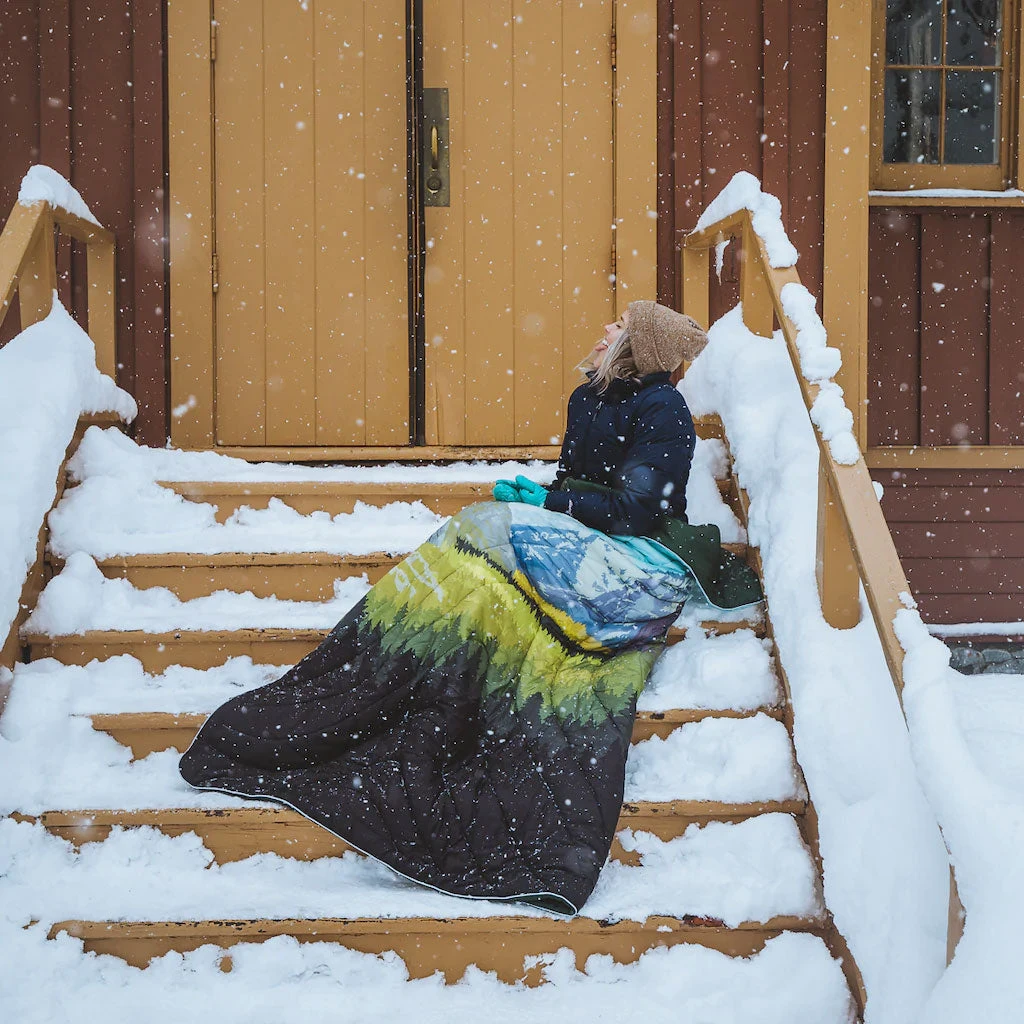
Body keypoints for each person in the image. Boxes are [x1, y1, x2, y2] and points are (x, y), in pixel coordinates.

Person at [180, 301, 759, 916]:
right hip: (593, 539)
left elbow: (639, 510)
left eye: (618, 323)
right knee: (476, 563)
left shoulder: (662, 408)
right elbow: (580, 486)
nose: (604, 329)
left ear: (638, 344)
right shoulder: (590, 398)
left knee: (484, 530)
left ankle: (405, 695)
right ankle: (377, 681)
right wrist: (551, 499)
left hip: (638, 560)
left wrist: (552, 508)